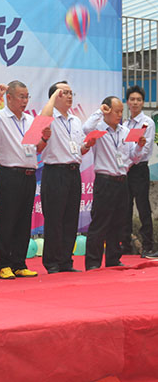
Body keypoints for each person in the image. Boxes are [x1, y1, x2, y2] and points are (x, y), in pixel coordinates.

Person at [0, 81, 50, 280]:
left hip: (29, 175)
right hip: (9, 175)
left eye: (27, 96)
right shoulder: (0, 117)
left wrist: (45, 139)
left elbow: (36, 149)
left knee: (23, 221)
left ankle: (19, 263)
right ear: (9, 97)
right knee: (7, 221)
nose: (25, 101)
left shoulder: (30, 120)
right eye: (21, 96)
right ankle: (3, 264)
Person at [82, 96, 146, 270]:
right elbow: (86, 129)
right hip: (105, 180)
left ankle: (113, 258)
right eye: (116, 111)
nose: (119, 114)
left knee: (118, 222)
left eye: (121, 111)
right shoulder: (98, 129)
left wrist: (139, 146)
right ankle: (93, 262)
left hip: (122, 181)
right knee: (100, 222)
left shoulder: (125, 131)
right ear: (107, 110)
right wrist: (99, 111)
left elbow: (134, 157)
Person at [40, 81, 95, 273]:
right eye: (64, 93)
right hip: (55, 172)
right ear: (54, 96)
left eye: (71, 93)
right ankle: (52, 262)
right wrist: (53, 97)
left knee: (70, 219)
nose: (70, 96)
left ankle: (66, 261)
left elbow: (78, 149)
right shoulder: (49, 116)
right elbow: (43, 121)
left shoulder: (75, 120)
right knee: (54, 219)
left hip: (73, 172)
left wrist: (87, 146)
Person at [121, 85, 155, 257]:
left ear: (143, 103)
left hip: (139, 169)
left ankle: (149, 246)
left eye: (138, 100)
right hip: (125, 170)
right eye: (132, 99)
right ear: (127, 102)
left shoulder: (147, 123)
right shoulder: (125, 124)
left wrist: (129, 162)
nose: (135, 103)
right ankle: (126, 245)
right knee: (125, 207)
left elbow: (144, 149)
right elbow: (123, 148)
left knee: (143, 207)